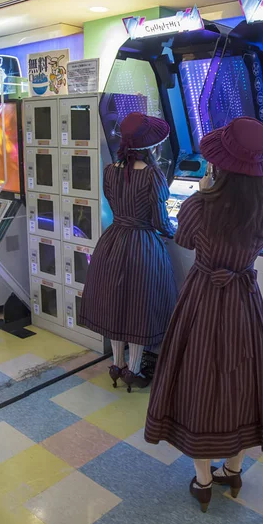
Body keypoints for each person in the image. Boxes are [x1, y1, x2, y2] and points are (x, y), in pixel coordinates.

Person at [145, 116, 263, 512]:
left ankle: (203, 480)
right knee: (244, 381)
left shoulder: (198, 206)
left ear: (218, 164)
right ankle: (233, 470)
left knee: (198, 381)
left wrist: (203, 193)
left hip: (203, 298)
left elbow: (184, 240)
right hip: (244, 300)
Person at [79, 112, 178, 392]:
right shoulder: (153, 175)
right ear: (150, 148)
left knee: (115, 306)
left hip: (113, 242)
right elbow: (161, 221)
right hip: (142, 246)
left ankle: (116, 364)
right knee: (138, 309)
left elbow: (115, 204)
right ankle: (133, 370)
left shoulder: (110, 170)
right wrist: (176, 233)